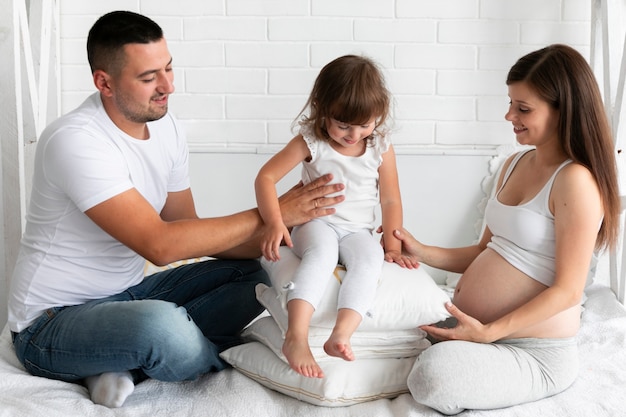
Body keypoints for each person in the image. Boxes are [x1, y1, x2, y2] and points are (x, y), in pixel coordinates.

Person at [7, 10, 344, 409]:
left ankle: (120, 362)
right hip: (49, 324)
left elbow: (186, 227)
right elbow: (161, 246)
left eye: (168, 69)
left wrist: (284, 233)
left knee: (257, 273)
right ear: (104, 82)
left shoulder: (166, 128)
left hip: (126, 297)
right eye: (149, 78)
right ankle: (201, 357)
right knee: (162, 327)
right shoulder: (75, 141)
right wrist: (276, 212)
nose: (167, 86)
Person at [386, 44, 620, 414]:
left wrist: (489, 332)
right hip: (478, 330)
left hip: (531, 350)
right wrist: (420, 250)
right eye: (511, 102)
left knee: (433, 377)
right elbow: (484, 252)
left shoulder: (575, 181)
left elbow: (569, 291)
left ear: (565, 111)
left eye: (524, 108)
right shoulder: (514, 163)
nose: (510, 115)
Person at [255, 55, 416, 379]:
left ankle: (341, 333)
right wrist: (275, 221)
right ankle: (296, 337)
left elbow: (390, 198)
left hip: (358, 230)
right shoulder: (312, 141)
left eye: (365, 124)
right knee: (322, 256)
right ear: (322, 108)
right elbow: (266, 178)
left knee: (370, 263)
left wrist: (393, 244)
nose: (354, 134)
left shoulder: (380, 147)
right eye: (343, 125)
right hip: (317, 223)